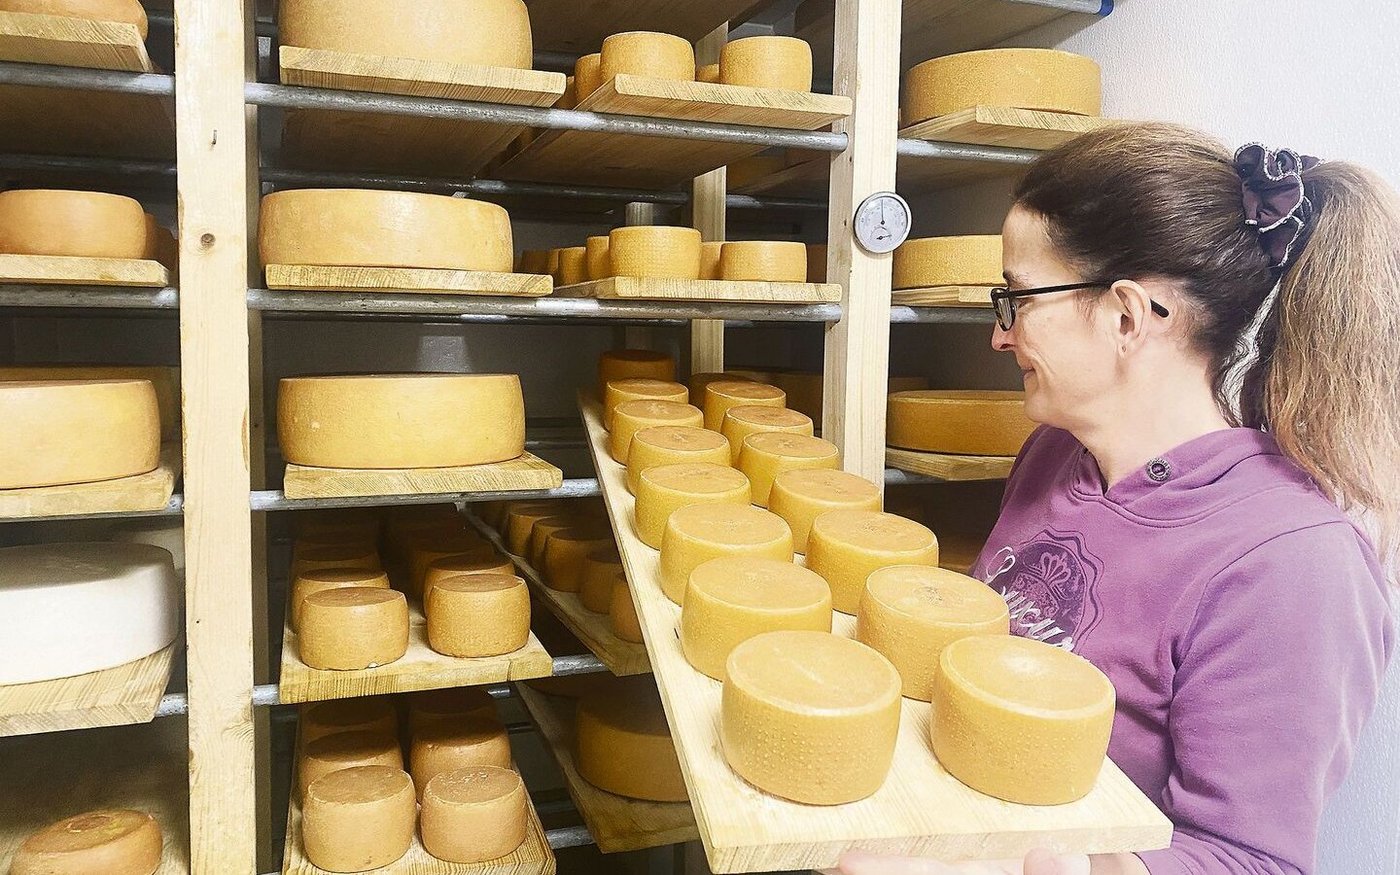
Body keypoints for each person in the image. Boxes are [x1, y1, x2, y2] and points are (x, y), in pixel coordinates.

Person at [830, 122, 1398, 875]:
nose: (1000, 336)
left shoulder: (1292, 564)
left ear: (1127, 315)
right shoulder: (1055, 454)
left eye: (1018, 298)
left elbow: (1252, 861)